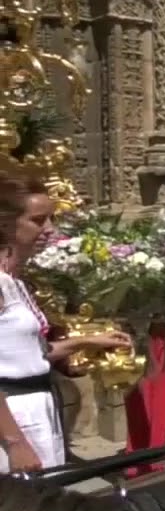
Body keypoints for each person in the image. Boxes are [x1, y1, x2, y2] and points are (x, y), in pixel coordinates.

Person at [0, 170, 133, 471]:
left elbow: (32, 355)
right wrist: (15, 442)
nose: (49, 229)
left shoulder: (17, 282)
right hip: (12, 419)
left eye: (51, 219)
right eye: (37, 220)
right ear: (7, 224)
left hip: (38, 409)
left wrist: (87, 341)